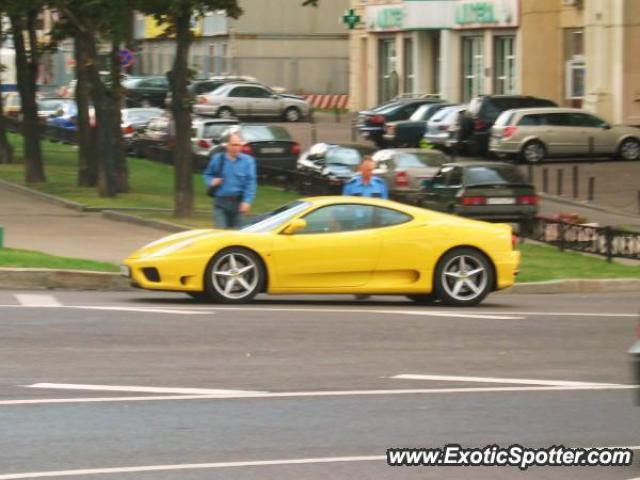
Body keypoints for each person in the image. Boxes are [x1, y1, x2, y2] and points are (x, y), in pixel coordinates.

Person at [343, 156, 388, 301]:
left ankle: (368, 285)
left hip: (375, 227)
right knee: (357, 258)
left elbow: (386, 207)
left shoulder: (380, 185)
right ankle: (358, 285)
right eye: (367, 169)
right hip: (356, 227)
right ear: (360, 169)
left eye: (371, 169)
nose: (370, 172)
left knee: (372, 257)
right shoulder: (351, 185)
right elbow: (344, 206)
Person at [203, 132, 257, 229]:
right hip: (221, 203)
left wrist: (247, 201)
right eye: (233, 145)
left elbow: (251, 183)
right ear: (227, 145)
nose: (236, 148)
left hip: (238, 203)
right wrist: (211, 181)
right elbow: (207, 174)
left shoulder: (248, 161)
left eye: (238, 145)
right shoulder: (218, 159)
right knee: (221, 235)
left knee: (238, 236)